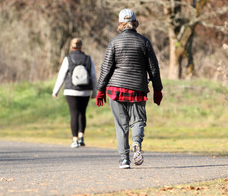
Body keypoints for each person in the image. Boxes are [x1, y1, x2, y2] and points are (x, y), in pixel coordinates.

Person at [96, 9, 163, 169]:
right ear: (135, 23)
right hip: (138, 88)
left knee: (121, 125)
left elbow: (106, 68)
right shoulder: (144, 42)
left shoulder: (114, 42)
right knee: (138, 121)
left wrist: (100, 89)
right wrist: (157, 89)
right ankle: (136, 143)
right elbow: (153, 68)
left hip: (116, 89)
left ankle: (124, 159)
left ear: (120, 24)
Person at [52, 38, 97, 148]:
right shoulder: (88, 59)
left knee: (74, 114)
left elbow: (61, 76)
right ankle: (81, 137)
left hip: (71, 90)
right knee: (82, 113)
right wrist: (95, 92)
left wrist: (55, 91)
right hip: (85, 91)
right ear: (81, 46)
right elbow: (93, 76)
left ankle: (75, 140)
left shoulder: (68, 58)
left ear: (71, 46)